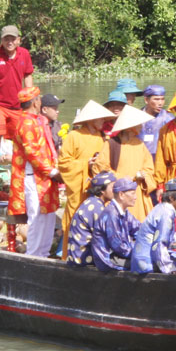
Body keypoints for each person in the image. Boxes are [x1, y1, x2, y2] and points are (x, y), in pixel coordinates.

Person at [8, 87, 61, 258]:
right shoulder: (27, 122)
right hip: (34, 177)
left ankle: (43, 254)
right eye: (39, 99)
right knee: (37, 219)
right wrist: (53, 172)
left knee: (48, 217)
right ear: (35, 102)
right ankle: (32, 256)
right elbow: (32, 153)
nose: (40, 102)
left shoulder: (38, 120)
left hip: (45, 175)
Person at [58, 100, 115, 258]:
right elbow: (63, 164)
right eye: (100, 119)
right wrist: (85, 164)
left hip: (95, 189)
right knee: (75, 218)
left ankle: (91, 256)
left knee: (95, 222)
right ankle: (68, 256)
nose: (103, 122)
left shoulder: (101, 138)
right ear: (91, 119)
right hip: (78, 187)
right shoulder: (74, 136)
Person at [0, 25, 34, 175]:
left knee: (20, 135)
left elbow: (28, 75)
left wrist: (30, 97)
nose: (9, 42)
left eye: (12, 39)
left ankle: (18, 163)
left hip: (17, 105)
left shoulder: (24, 54)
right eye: (6, 39)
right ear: (1, 40)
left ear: (18, 40)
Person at [99, 105, 157, 220]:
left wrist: (143, 175)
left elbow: (149, 168)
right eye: (138, 124)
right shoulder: (112, 144)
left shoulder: (139, 144)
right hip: (119, 191)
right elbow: (102, 167)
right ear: (131, 127)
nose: (141, 127)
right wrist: (124, 178)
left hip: (137, 192)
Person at [131, 178, 176, 274]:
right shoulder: (166, 213)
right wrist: (170, 267)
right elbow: (159, 244)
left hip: (147, 258)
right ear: (171, 198)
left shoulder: (162, 208)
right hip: (147, 262)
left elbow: (168, 235)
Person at [67, 172, 118, 270]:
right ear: (102, 190)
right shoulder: (96, 207)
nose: (115, 191)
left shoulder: (93, 202)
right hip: (84, 259)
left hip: (79, 256)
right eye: (112, 187)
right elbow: (106, 236)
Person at [102, 178, 142, 269]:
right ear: (121, 195)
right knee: (150, 266)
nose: (135, 197)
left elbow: (138, 229)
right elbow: (118, 246)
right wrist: (141, 252)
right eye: (132, 194)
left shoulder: (124, 212)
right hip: (110, 258)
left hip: (121, 254)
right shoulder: (111, 214)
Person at [139, 84, 173, 158]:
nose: (160, 103)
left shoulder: (168, 118)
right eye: (156, 99)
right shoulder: (136, 117)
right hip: (140, 159)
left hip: (160, 159)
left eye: (162, 99)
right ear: (146, 100)